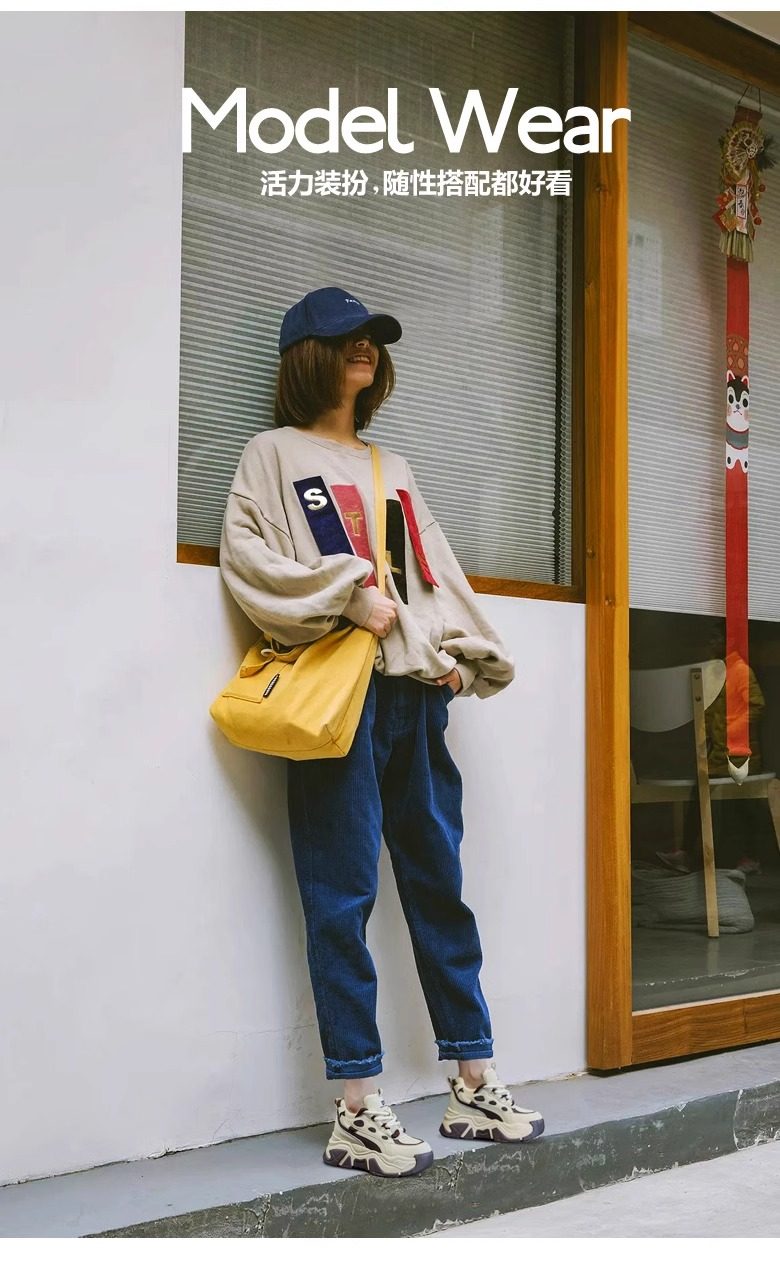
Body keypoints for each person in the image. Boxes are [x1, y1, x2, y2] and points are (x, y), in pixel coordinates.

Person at [219, 287, 544, 1178]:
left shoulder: (390, 464)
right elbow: (248, 561)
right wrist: (346, 596)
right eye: (346, 339)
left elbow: (433, 574)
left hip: (414, 696)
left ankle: (471, 1079)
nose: (364, 349)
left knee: (440, 883)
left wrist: (461, 658)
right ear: (308, 356)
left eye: (372, 340)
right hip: (339, 700)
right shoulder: (272, 455)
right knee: (342, 892)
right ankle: (357, 1105)